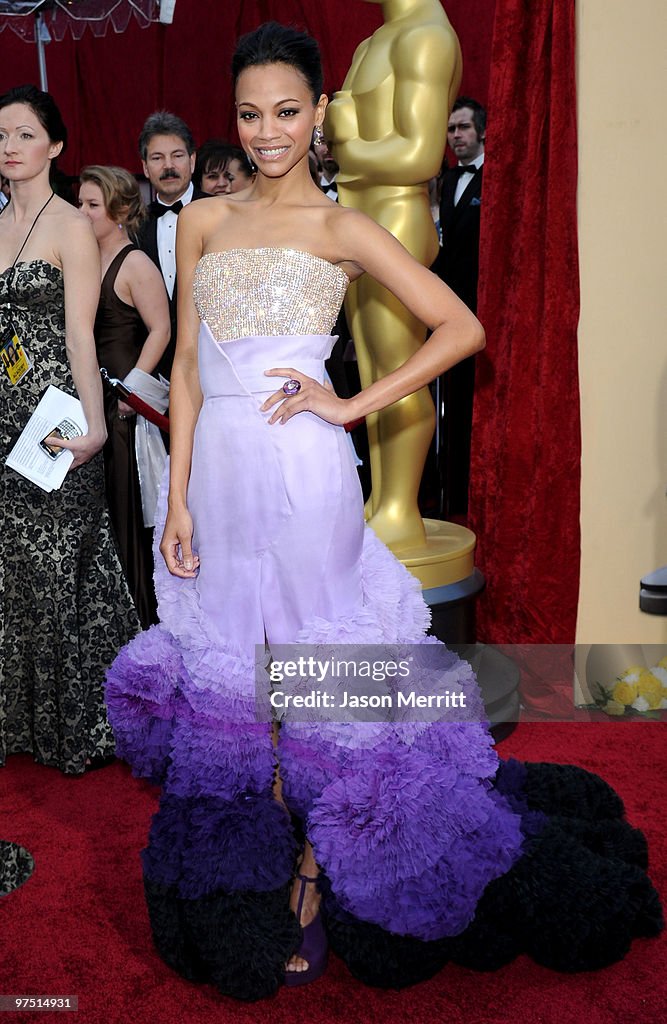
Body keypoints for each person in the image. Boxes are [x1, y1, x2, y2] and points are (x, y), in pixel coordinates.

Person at [105, 24, 662, 1001]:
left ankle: (318, 870)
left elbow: (462, 326)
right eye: (249, 113)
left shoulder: (343, 227)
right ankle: (267, 850)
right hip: (220, 484)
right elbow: (187, 370)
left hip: (307, 478)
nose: (268, 131)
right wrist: (178, 495)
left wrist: (351, 403)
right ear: (231, 121)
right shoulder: (199, 223)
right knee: (240, 684)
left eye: (287, 111)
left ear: (317, 115)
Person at [0, 84, 140, 775]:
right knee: (12, 572)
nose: (9, 147)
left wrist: (95, 431)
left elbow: (82, 340)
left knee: (61, 568)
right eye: (0, 135)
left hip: (51, 420)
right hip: (0, 419)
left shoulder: (71, 226)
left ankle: (78, 721)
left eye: (24, 134)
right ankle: (18, 719)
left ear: (54, 145)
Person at [78, 165, 171, 628]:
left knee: (127, 513)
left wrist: (131, 388)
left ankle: (141, 622)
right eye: (79, 203)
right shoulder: (81, 260)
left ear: (118, 211)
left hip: (123, 410)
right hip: (90, 405)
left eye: (91, 205)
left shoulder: (134, 263)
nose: (81, 213)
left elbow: (161, 329)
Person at [431, 97, 486, 516]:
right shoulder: (447, 181)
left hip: (481, 305)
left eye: (463, 128)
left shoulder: (493, 179)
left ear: (481, 131)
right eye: (451, 130)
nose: (456, 136)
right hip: (447, 307)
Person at [136, 111, 211, 379]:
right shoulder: (135, 226)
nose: (168, 166)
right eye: (157, 158)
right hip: (157, 374)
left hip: (213, 366)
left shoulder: (221, 215)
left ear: (192, 160)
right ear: (145, 167)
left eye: (177, 156)